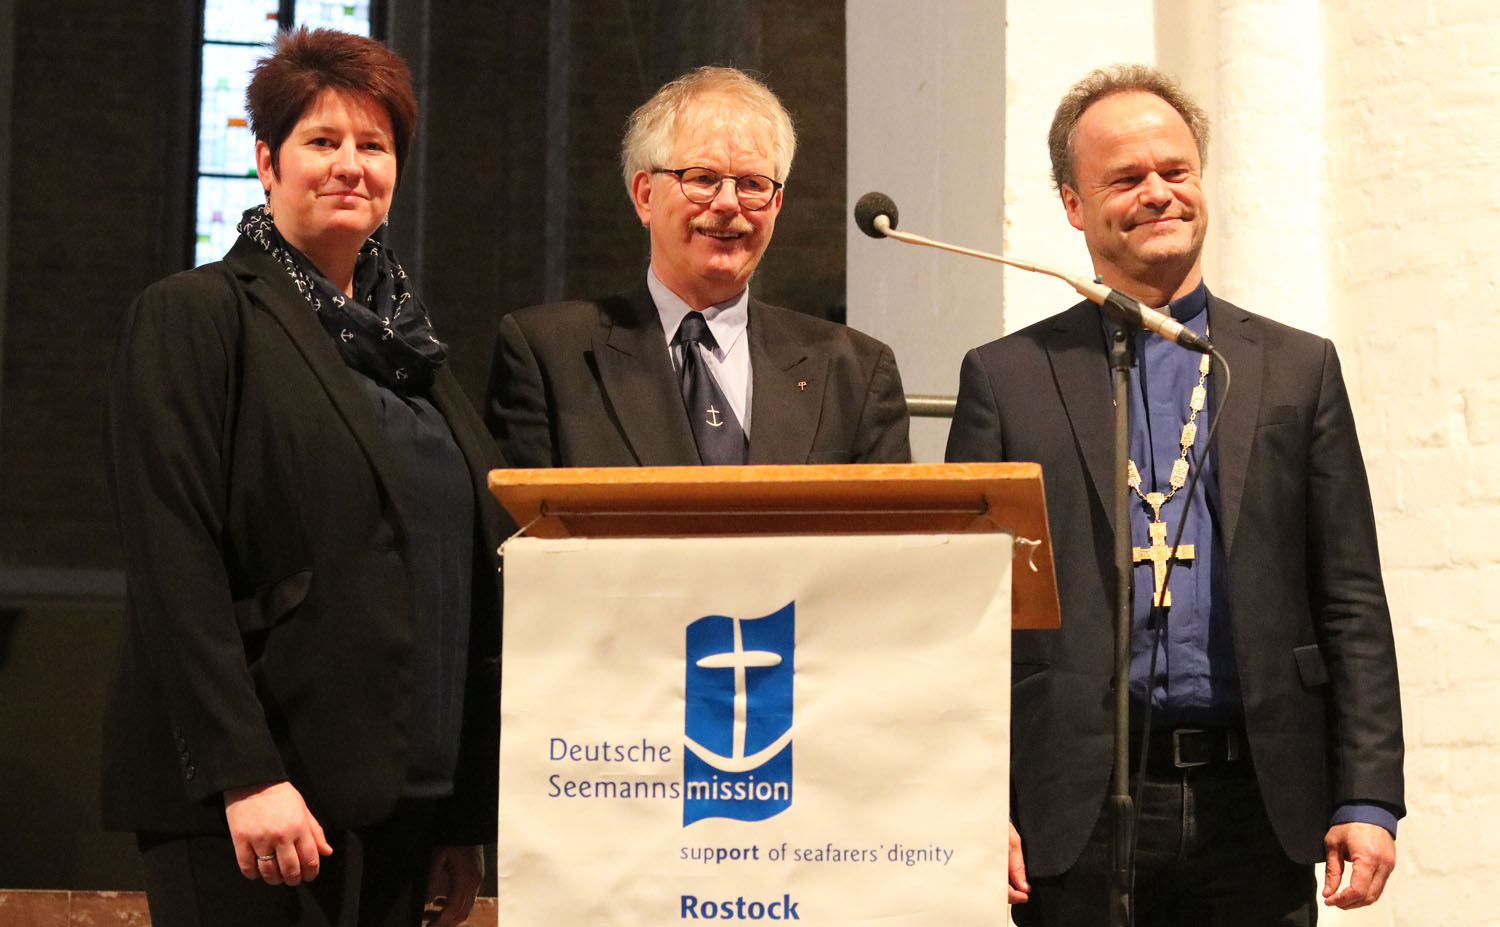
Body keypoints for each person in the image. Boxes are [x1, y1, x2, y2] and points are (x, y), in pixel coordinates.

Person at [945, 64, 1404, 925]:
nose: (1158, 192)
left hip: (1257, 801)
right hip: (1074, 805)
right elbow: (966, 614)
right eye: (1125, 178)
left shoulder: (1295, 368)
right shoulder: (1008, 380)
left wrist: (1368, 793)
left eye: (1175, 170)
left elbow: (1350, 596)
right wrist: (974, 797)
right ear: (1074, 204)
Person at [101, 27, 507, 927]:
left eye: (374, 145)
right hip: (258, 800)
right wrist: (244, 772)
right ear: (266, 162)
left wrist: (459, 815)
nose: (350, 166)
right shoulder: (197, 316)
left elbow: (461, 580)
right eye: (322, 141)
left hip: (405, 801)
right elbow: (174, 558)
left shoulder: (415, 355)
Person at [485, 66, 910, 467]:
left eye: (752, 184)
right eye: (703, 179)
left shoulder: (855, 371)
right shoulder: (549, 355)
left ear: (776, 204)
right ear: (645, 196)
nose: (728, 203)